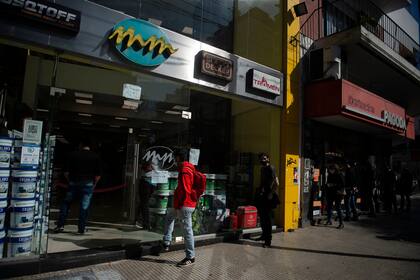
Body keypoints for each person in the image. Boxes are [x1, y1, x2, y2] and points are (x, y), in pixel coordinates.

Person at [54, 139, 101, 234]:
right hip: (88, 183)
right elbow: (98, 175)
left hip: (73, 182)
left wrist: (70, 180)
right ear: (90, 146)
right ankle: (81, 228)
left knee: (66, 204)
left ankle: (60, 225)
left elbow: (66, 172)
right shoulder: (95, 157)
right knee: (84, 206)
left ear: (81, 145)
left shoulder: (72, 155)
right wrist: (94, 184)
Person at [162, 149, 197, 267]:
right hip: (182, 204)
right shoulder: (187, 168)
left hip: (184, 205)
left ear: (178, 158)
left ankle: (190, 257)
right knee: (169, 217)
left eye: (174, 158)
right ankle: (166, 241)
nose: (174, 160)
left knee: (187, 231)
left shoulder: (185, 170)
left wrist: (180, 204)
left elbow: (185, 190)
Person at [254, 153, 279, 248]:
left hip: (269, 196)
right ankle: (264, 235)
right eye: (261, 159)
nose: (263, 160)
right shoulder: (262, 169)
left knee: (267, 219)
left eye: (264, 158)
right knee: (263, 218)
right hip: (262, 195)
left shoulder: (271, 168)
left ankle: (268, 241)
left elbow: (276, 183)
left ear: (268, 159)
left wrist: (271, 194)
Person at [325, 164, 344, 229]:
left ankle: (341, 223)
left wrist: (333, 185)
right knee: (329, 207)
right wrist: (328, 185)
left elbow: (342, 184)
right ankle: (329, 220)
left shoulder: (340, 175)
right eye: (329, 170)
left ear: (334, 169)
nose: (330, 171)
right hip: (330, 193)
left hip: (338, 194)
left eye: (331, 170)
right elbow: (328, 182)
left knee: (338, 208)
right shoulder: (330, 175)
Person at [136, 161, 154, 230]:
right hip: (147, 188)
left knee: (144, 206)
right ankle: (142, 222)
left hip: (145, 188)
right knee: (143, 206)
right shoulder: (150, 175)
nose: (151, 168)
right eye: (150, 166)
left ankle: (146, 224)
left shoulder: (145, 176)